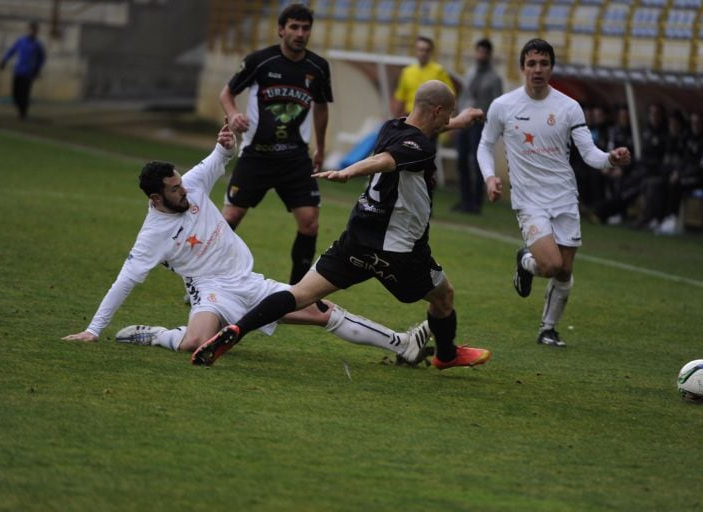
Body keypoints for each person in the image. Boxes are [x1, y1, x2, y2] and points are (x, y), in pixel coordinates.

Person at [62, 123, 432, 367]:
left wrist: (227, 143)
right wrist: (94, 329)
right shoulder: (152, 235)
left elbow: (219, 158)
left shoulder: (190, 185)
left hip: (247, 280)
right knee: (193, 345)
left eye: (180, 182)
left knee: (321, 310)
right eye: (174, 189)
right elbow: (125, 279)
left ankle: (403, 343)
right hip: (209, 292)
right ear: (156, 200)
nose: (184, 190)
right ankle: (160, 335)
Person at [192, 81, 490, 371]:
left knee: (300, 295)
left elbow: (414, 139)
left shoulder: (392, 127)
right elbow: (387, 160)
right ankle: (447, 355)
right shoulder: (421, 148)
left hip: (357, 238)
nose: (448, 119)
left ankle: (238, 329)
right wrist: (349, 171)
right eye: (449, 113)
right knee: (443, 296)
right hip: (400, 250)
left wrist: (459, 121)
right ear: (437, 111)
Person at [477, 39, 631, 348]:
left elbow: (589, 154)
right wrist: (490, 177)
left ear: (551, 68)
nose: (537, 69)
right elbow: (484, 145)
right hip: (529, 200)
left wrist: (610, 159)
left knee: (565, 270)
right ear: (522, 68)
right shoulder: (504, 106)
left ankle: (548, 329)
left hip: (563, 196)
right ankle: (526, 261)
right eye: (531, 63)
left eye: (543, 64)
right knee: (549, 265)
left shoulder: (568, 107)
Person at [219, 3, 331, 285]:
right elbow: (226, 93)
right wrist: (234, 115)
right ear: (281, 29)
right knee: (230, 216)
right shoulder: (260, 61)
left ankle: (298, 292)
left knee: (310, 222)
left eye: (305, 28)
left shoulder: (318, 67)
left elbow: (321, 106)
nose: (300, 33)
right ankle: (207, 277)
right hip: (256, 155)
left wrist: (321, 147)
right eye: (294, 27)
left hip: (295, 159)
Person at [452, 38, 503, 214]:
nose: (480, 55)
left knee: (478, 162)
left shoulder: (494, 78)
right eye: (478, 51)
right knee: (461, 161)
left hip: (480, 125)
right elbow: (464, 96)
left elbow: (497, 104)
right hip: (464, 123)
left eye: (484, 52)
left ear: (489, 55)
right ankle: (465, 200)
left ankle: (476, 203)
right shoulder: (470, 72)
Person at [656, 111, 703, 235]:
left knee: (677, 184)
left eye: (699, 123)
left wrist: (682, 175)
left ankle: (673, 219)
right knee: (665, 181)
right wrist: (677, 172)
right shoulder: (689, 137)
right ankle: (662, 218)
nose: (696, 126)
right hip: (690, 175)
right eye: (693, 123)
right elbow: (684, 159)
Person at [391, 36, 454, 118]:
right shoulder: (407, 72)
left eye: (427, 50)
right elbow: (400, 98)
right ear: (415, 51)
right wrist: (395, 118)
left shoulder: (439, 71)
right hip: (410, 115)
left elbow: (449, 96)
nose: (423, 53)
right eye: (421, 50)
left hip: (430, 116)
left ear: (431, 52)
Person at [0, 20, 45, 119]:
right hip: (18, 71)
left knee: (25, 94)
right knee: (15, 93)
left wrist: (37, 69)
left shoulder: (37, 45)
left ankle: (23, 113)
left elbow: (41, 58)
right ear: (28, 30)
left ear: (36, 32)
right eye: (31, 30)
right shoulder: (21, 41)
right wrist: (4, 60)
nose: (32, 32)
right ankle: (20, 109)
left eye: (34, 30)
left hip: (29, 73)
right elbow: (12, 51)